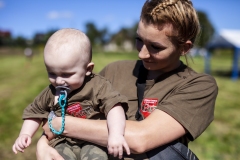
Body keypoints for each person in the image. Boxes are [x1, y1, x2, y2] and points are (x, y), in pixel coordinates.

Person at [36, 0, 218, 159]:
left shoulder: (199, 87)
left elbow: (141, 139)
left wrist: (59, 124)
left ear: (185, 48)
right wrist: (42, 145)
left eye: (156, 47)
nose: (142, 53)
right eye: (139, 39)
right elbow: (72, 110)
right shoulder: (114, 71)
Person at [12, 28, 130, 160]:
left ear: (87, 69)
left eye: (66, 74)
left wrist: (116, 134)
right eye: (52, 73)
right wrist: (25, 134)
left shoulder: (98, 86)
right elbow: (35, 112)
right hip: (62, 142)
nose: (58, 81)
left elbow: (115, 107)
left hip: (93, 141)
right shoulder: (51, 92)